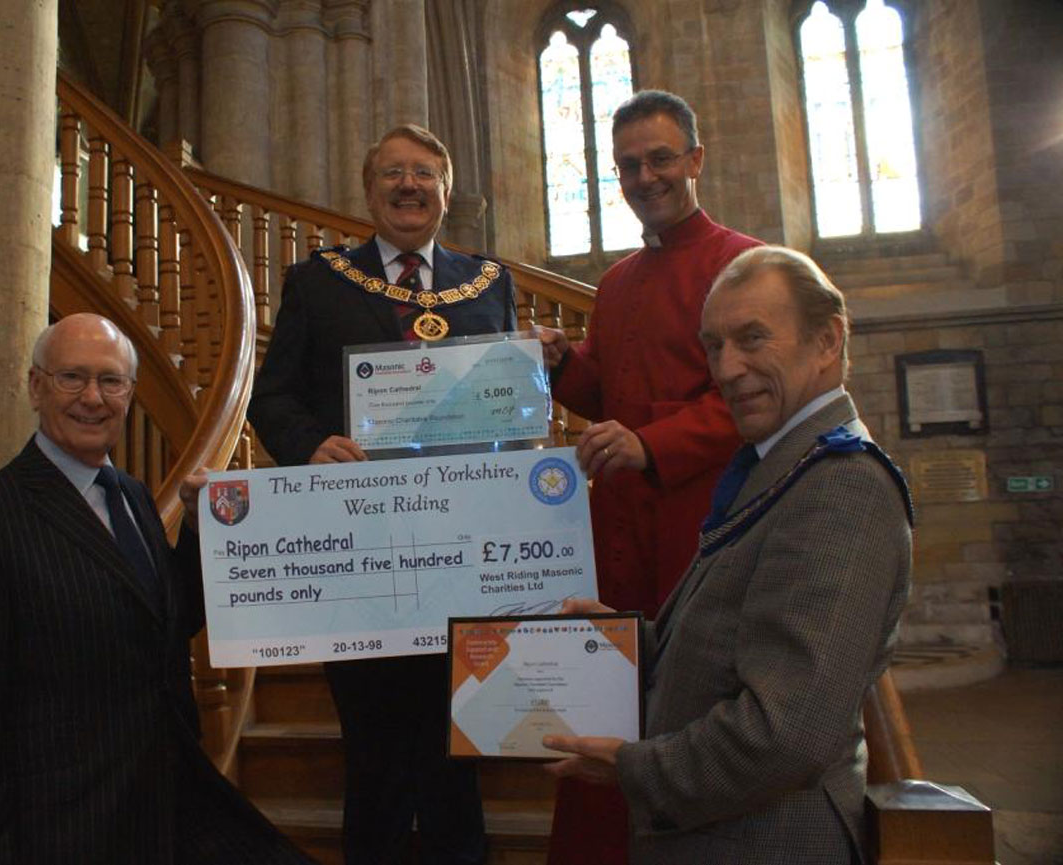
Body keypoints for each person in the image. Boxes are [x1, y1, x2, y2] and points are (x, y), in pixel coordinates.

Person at [543, 246, 914, 864]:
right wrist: (624, 641)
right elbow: (732, 641)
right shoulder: (780, 466)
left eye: (752, 339)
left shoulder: (842, 486)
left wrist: (636, 767)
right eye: (714, 346)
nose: (728, 368)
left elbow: (785, 734)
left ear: (827, 341)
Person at [0, 313, 313, 865]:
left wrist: (201, 537)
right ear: (35, 386)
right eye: (71, 378)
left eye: (111, 381)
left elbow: (165, 624)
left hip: (169, 801)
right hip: (64, 827)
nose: (92, 398)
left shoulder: (132, 496)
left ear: (130, 393)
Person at [247, 125, 515, 864]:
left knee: (459, 745)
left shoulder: (490, 284)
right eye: (393, 172)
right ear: (368, 192)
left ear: (446, 190)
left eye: (424, 173)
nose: (409, 185)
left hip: (463, 555)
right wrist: (307, 444)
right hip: (358, 556)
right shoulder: (318, 282)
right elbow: (270, 399)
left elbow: (510, 414)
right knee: (372, 750)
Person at [539, 89, 761, 863]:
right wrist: (568, 366)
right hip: (615, 535)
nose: (645, 175)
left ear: (695, 161)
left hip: (699, 532)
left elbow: (755, 400)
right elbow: (612, 398)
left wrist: (649, 443)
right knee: (604, 713)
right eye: (629, 164)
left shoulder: (744, 265)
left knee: (683, 717)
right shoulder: (618, 281)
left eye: (660, 158)